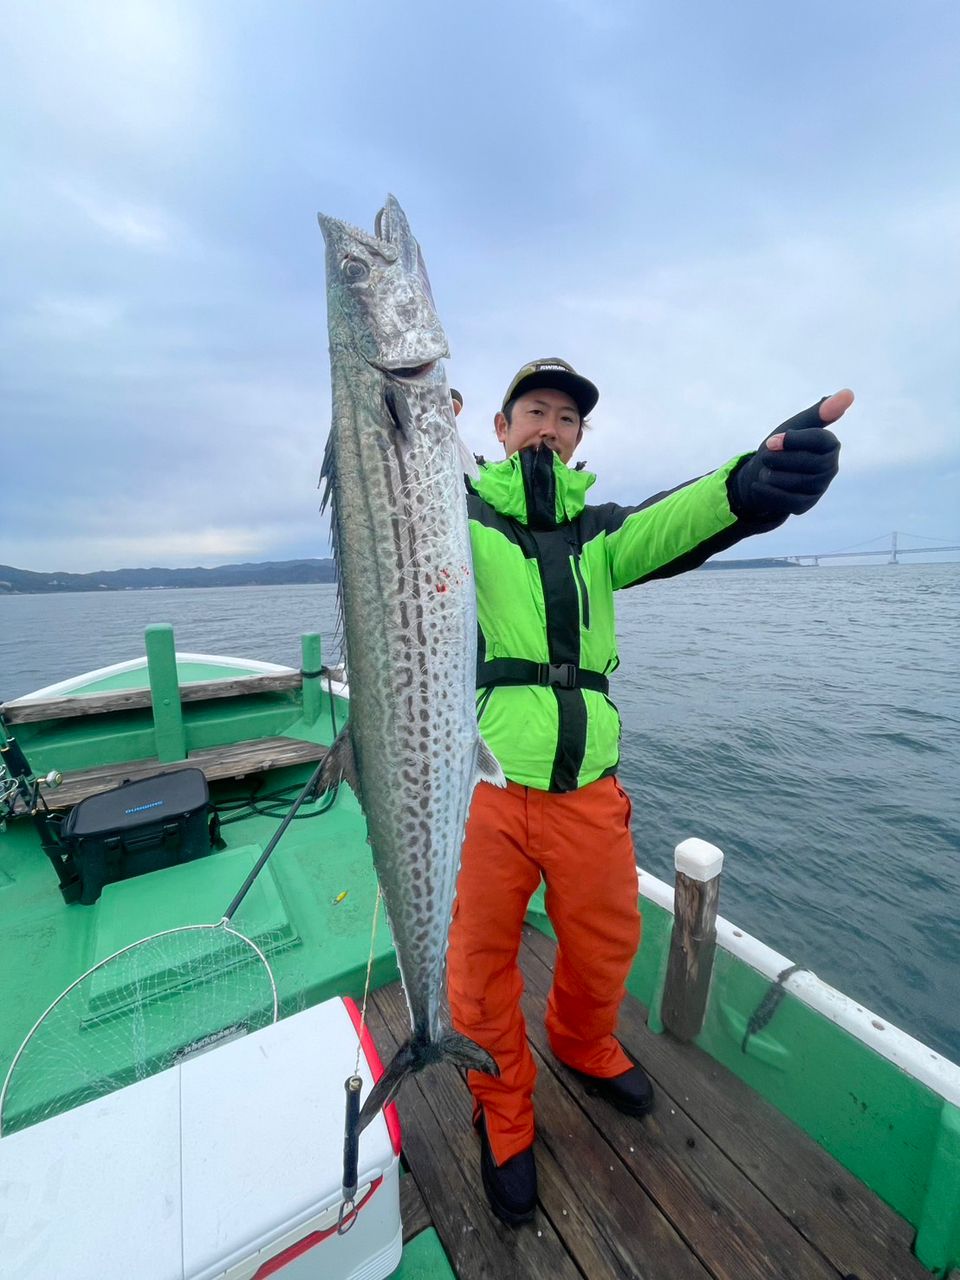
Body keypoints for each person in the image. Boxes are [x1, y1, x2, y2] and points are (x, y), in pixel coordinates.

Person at [446, 357, 850, 1225]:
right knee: (478, 972)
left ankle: (582, 1044)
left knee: (603, 948)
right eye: (535, 411)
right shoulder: (460, 519)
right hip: (486, 789)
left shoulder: (602, 535)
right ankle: (504, 1110)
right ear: (500, 428)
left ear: (582, 437)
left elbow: (681, 518)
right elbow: (398, 505)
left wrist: (753, 480)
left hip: (589, 791)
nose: (550, 427)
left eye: (567, 418)